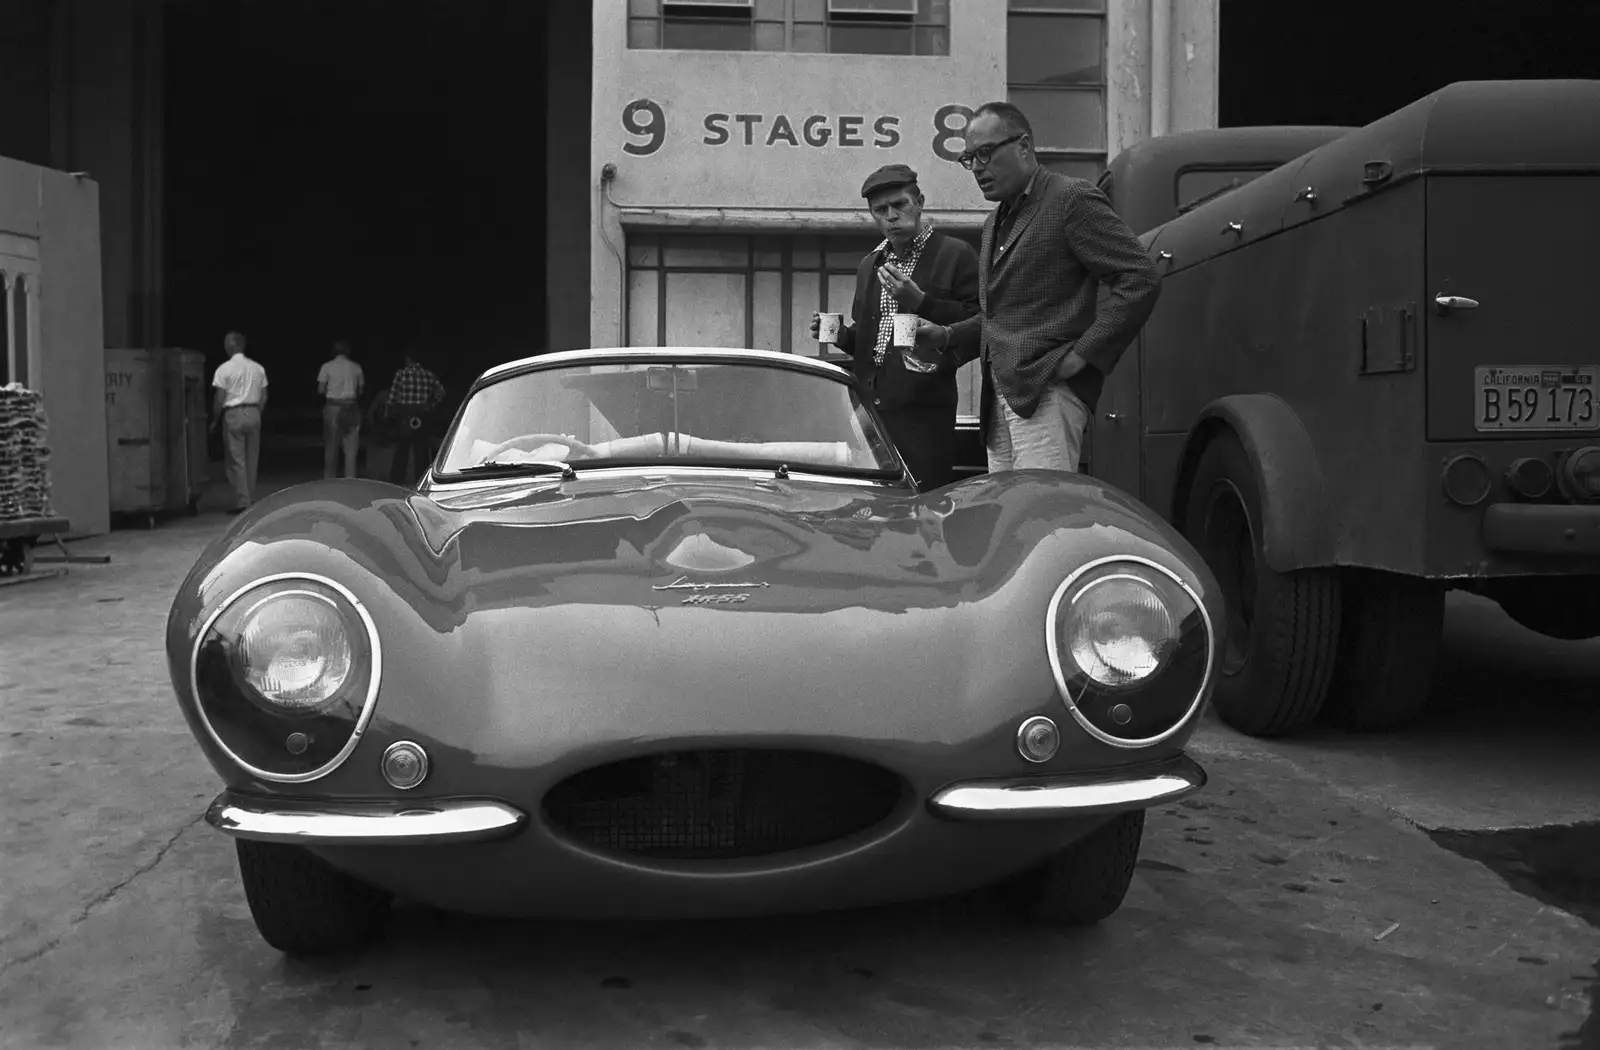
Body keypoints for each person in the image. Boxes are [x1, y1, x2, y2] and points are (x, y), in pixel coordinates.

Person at [912, 101, 1161, 474]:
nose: (978, 167)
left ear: (1024, 146)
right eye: (969, 159)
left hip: (1047, 394)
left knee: (1045, 521)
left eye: (985, 153)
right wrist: (946, 335)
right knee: (1012, 522)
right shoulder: (994, 222)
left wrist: (1084, 355)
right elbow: (998, 318)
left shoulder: (1071, 199)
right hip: (998, 403)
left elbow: (1140, 278)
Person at [811, 163, 980, 491]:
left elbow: (981, 324)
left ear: (919, 203)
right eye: (880, 210)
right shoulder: (870, 263)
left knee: (922, 505)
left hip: (924, 415)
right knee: (869, 502)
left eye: (899, 205)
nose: (891, 215)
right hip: (870, 412)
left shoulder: (955, 254)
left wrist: (922, 302)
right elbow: (873, 340)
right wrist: (841, 335)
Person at [210, 330, 268, 513]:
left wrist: (214, 419)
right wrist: (256, 411)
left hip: (233, 414)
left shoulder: (224, 369)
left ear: (231, 346)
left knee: (236, 460)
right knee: (252, 458)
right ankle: (250, 497)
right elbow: (264, 396)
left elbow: (220, 398)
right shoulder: (258, 368)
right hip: (254, 412)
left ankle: (243, 501)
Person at [386, 349, 447, 485]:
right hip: (422, 414)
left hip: (405, 414)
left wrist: (390, 411)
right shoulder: (428, 375)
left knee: (402, 449)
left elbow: (393, 397)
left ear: (408, 359)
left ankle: (396, 481)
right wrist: (431, 405)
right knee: (421, 450)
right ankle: (421, 481)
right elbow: (441, 392)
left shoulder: (401, 374)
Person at [316, 339, 365, 479]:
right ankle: (350, 479)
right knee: (351, 448)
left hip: (333, 407)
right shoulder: (356, 367)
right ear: (348, 352)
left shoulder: (327, 366)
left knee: (331, 445)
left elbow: (320, 389)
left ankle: (329, 479)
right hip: (351, 406)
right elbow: (360, 390)